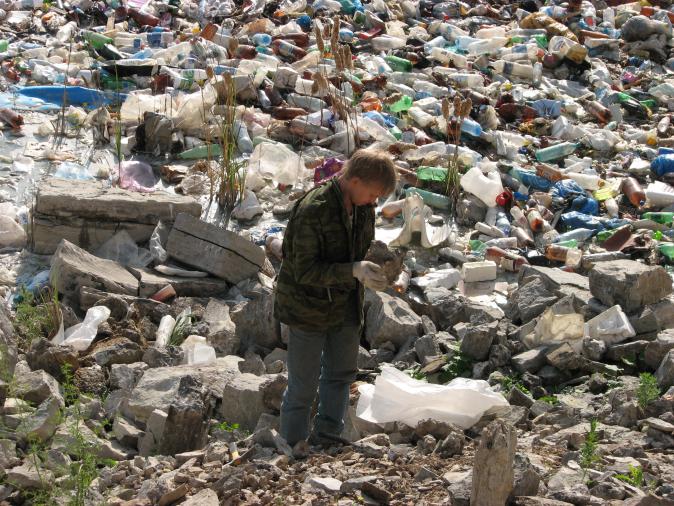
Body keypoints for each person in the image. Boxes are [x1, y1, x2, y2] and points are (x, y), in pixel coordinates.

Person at [274, 149, 398, 447]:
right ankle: (291, 446)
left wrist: (379, 267)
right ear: (354, 181)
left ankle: (327, 440)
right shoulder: (313, 210)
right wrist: (353, 270)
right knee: (303, 386)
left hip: (346, 305)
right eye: (372, 193)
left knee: (341, 375)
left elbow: (361, 248)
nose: (374, 201)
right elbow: (304, 270)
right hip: (308, 307)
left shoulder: (363, 206)